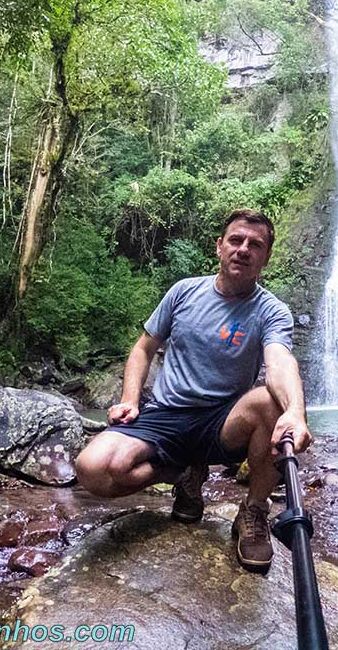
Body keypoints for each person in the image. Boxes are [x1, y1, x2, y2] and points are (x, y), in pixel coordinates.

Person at [75, 209, 312, 573]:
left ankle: (253, 511)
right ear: (219, 247)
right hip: (165, 414)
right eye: (236, 240)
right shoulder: (183, 292)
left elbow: (279, 362)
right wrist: (130, 399)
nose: (243, 249)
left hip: (222, 421)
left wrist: (295, 411)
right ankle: (180, 471)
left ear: (265, 258)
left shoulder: (271, 311)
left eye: (255, 245)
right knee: (93, 469)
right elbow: (143, 348)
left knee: (269, 401)